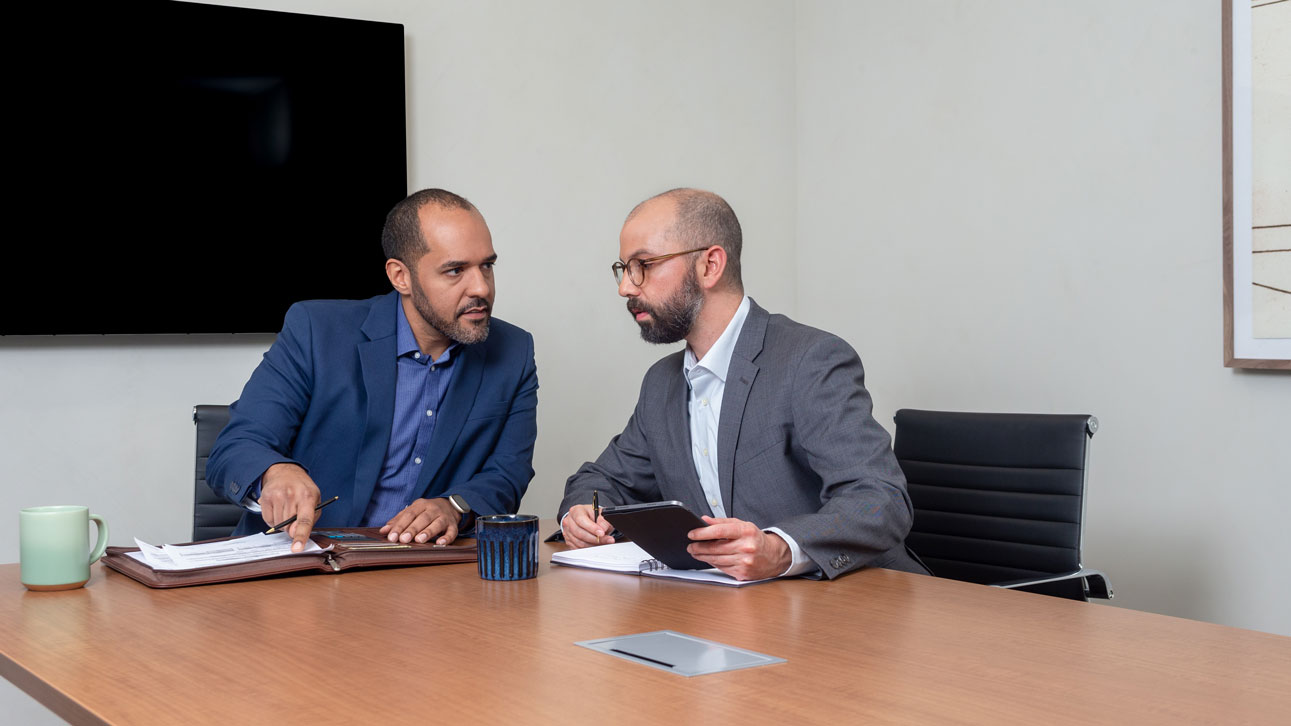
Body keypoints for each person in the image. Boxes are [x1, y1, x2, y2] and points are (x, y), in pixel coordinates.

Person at [558, 188, 925, 580]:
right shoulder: (661, 384)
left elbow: (879, 501)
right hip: (739, 614)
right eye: (624, 268)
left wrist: (781, 549)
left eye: (643, 265)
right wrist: (581, 514)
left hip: (857, 606)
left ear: (710, 265)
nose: (626, 288)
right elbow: (601, 480)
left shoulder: (811, 360)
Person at [208, 189, 538, 551]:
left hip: (417, 575)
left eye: (486, 266)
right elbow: (236, 446)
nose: (481, 287)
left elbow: (507, 473)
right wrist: (275, 473)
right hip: (298, 562)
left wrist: (454, 506)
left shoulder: (513, 351)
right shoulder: (317, 332)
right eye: (455, 270)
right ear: (401, 277)